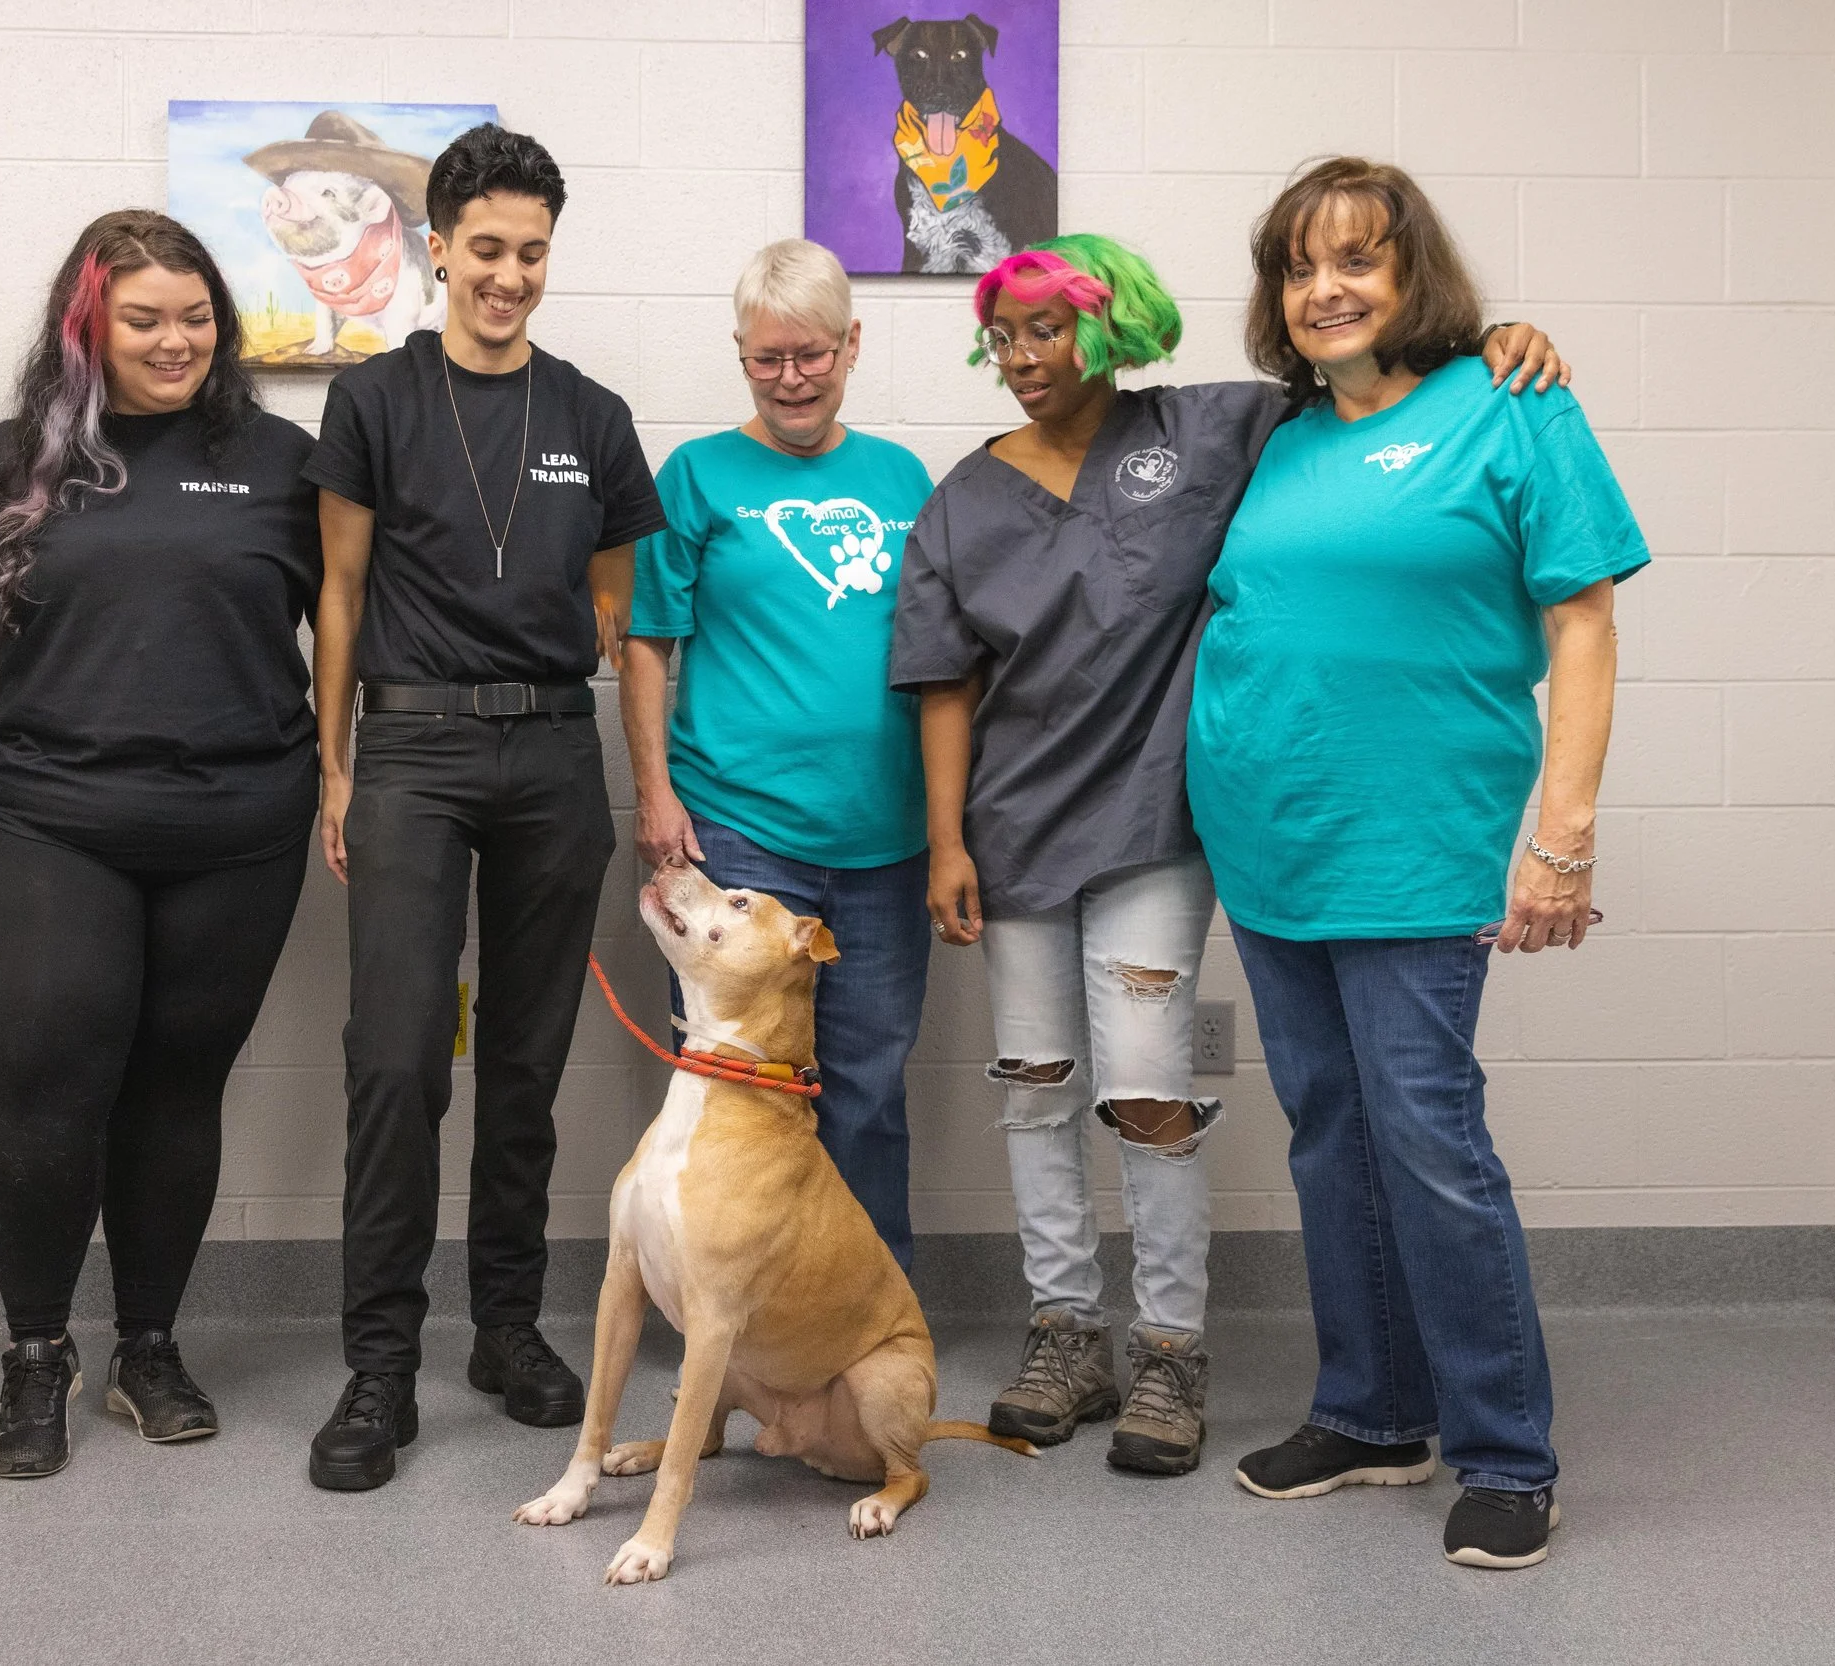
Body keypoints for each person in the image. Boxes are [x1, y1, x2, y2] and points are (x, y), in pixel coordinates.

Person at [894, 235, 1567, 1480]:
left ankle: (1169, 1348)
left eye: (1050, 328)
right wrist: (945, 840)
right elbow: (942, 678)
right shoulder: (963, 496)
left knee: (1148, 1095)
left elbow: (1366, 386)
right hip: (1015, 833)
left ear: (1115, 327)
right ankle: (1062, 1330)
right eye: (1004, 333)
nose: (1024, 355)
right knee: (1034, 1089)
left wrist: (1488, 343)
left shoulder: (1213, 430)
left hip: (1156, 825)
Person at [1189, 158, 1644, 1570]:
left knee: (1431, 1142)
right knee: (1330, 1133)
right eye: (1299, 266)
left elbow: (1581, 624)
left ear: (1411, 274)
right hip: (1273, 847)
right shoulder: (1280, 437)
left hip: (1418, 847)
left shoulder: (1513, 404)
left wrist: (1559, 840)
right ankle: (1373, 1410)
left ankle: (1506, 1451)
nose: (1326, 289)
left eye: (1358, 261)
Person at [302, 124, 664, 1492]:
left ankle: (504, 1330)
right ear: (437, 246)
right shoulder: (375, 402)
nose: (509, 276)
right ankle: (378, 1363)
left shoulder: (592, 417)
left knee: (523, 1062)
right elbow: (336, 592)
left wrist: (642, 778)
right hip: (409, 753)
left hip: (549, 761)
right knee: (397, 1058)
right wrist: (335, 765)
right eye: (488, 250)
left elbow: (626, 618)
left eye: (533, 254)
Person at [0, 211, 321, 1479]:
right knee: (49, 1091)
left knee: (177, 1091)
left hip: (238, 826)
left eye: (196, 315)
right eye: (143, 317)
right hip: (51, 819)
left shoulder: (280, 458)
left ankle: (147, 1349)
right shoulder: (14, 459)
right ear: (88, 328)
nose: (175, 339)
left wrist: (342, 776)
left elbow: (354, 625)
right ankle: (36, 1354)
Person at [623, 238, 934, 1268]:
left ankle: (866, 1301)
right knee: (738, 1082)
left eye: (810, 355)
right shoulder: (697, 476)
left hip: (882, 842)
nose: (791, 378)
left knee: (868, 1080)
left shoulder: (901, 478)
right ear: (740, 355)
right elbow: (646, 643)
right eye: (767, 360)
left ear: (851, 344)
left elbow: (939, 661)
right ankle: (732, 1304)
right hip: (740, 836)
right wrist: (656, 796)